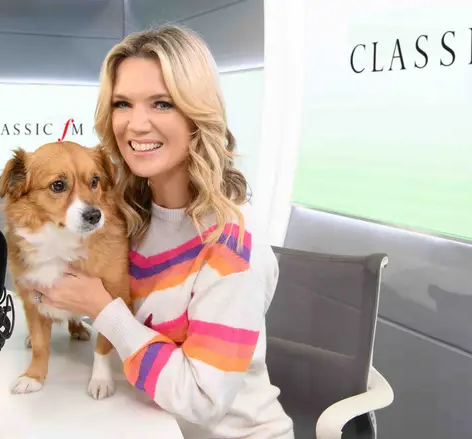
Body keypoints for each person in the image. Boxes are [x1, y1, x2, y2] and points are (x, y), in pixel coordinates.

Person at [32, 24, 294, 439]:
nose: (136, 125)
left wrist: (104, 310)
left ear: (198, 113)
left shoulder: (233, 246)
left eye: (162, 103)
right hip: (143, 421)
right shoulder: (127, 216)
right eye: (122, 104)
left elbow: (203, 402)